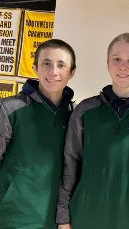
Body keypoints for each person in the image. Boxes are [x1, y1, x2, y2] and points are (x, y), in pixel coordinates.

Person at [56, 32, 129, 229]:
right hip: (83, 218)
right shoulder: (86, 111)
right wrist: (63, 217)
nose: (123, 66)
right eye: (117, 59)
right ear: (108, 64)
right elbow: (70, 164)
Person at [0, 39, 76, 228]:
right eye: (46, 64)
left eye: (61, 65)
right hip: (12, 219)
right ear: (35, 68)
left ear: (71, 73)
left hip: (56, 221)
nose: (53, 72)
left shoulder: (76, 116)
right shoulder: (9, 109)